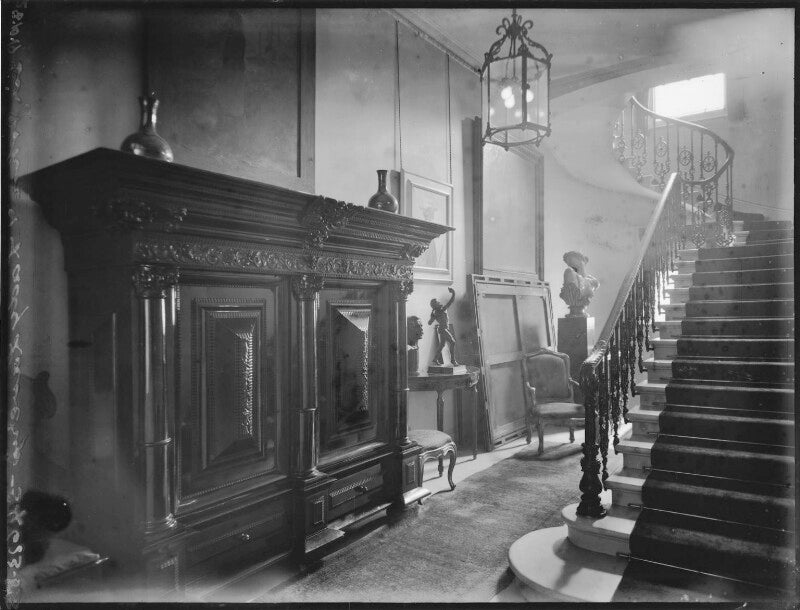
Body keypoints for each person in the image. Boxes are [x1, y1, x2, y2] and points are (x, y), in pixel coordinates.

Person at [428, 287, 458, 366]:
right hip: (443, 329)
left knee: (442, 345)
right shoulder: (441, 309)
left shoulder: (436, 312)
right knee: (453, 342)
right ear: (435, 305)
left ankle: (435, 359)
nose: (439, 302)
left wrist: (432, 315)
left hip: (442, 329)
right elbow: (451, 301)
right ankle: (453, 360)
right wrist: (453, 293)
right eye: (437, 302)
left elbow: (429, 323)